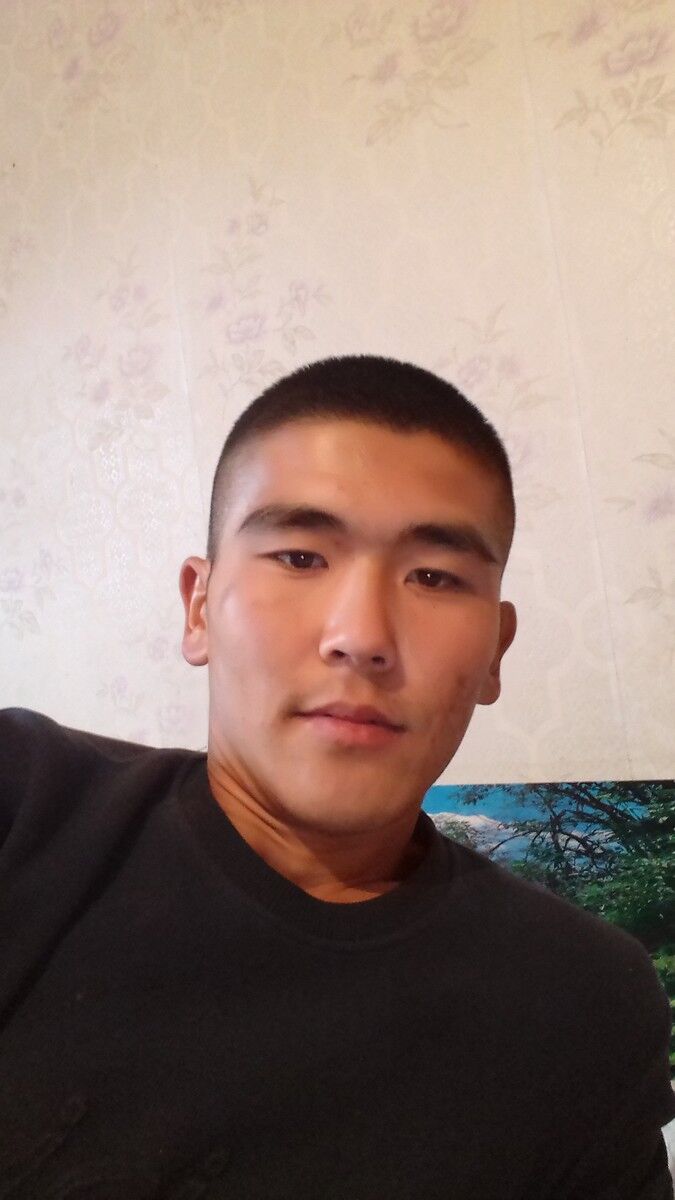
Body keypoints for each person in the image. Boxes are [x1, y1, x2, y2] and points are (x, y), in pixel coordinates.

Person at [0, 355, 673, 1199]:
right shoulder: (25, 806)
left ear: (496, 651)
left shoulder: (585, 998)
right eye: (299, 556)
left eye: (433, 576)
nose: (361, 636)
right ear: (199, 606)